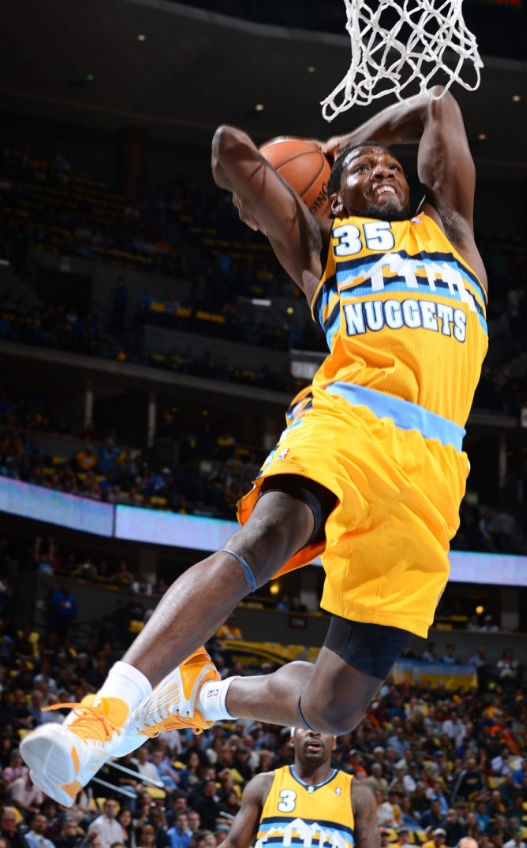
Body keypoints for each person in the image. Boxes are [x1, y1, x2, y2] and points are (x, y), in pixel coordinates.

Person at [21, 88, 488, 807]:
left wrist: (350, 143)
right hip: (351, 422)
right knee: (267, 537)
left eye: (391, 166)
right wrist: (324, 163)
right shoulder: (322, 246)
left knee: (336, 707)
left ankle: (200, 695)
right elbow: (229, 151)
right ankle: (103, 715)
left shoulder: (453, 232)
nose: (384, 170)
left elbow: (439, 107)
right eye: (365, 171)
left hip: (433, 475)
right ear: (333, 199)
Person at [216, 727, 376, 848]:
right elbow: (234, 844)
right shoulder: (263, 784)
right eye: (306, 725)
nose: (314, 732)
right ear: (292, 739)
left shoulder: (358, 792)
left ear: (334, 742)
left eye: (323, 727)